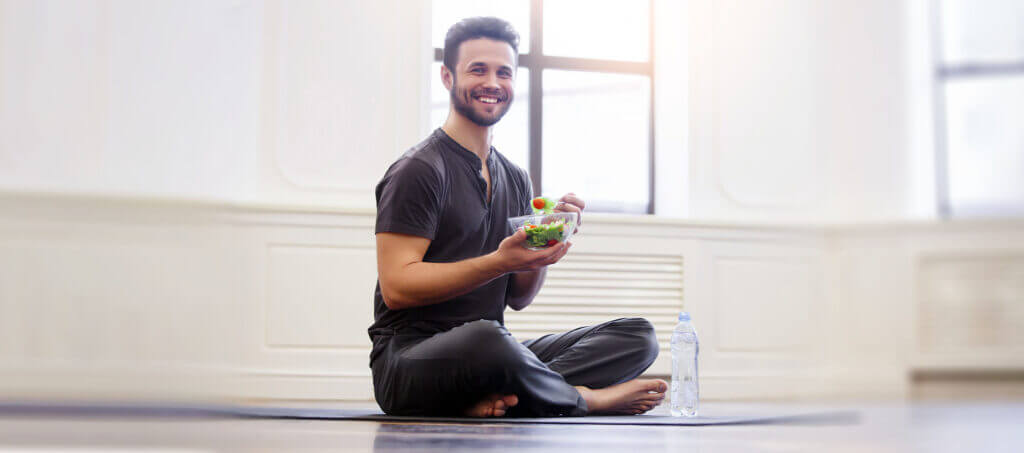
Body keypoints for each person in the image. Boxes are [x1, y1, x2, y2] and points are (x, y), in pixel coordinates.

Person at [368, 16, 667, 417]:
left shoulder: (515, 177)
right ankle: (581, 399)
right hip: (410, 359)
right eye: (478, 69)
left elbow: (520, 297)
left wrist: (545, 244)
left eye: (503, 72)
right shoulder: (419, 170)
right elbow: (397, 287)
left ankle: (499, 398)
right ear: (446, 77)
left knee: (638, 337)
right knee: (489, 342)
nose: (492, 81)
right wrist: (499, 261)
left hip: (493, 352)